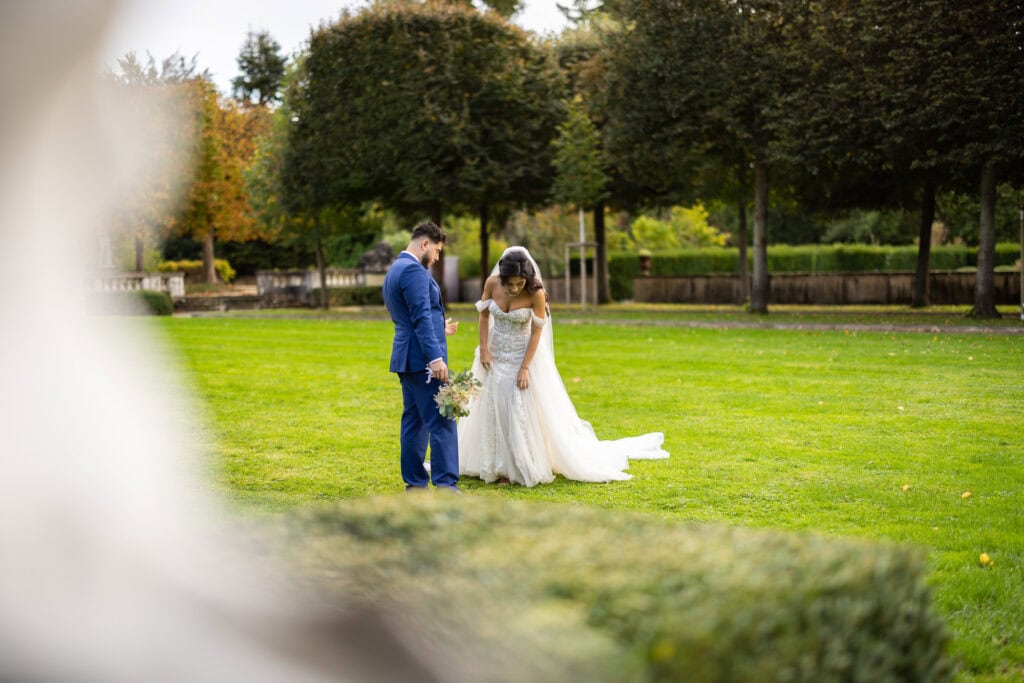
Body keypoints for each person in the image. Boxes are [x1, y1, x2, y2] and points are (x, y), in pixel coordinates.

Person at [458, 247, 668, 487]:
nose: (515, 289)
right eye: (510, 284)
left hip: (521, 354)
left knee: (515, 406)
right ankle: (490, 462)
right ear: (502, 278)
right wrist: (483, 348)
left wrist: (525, 367)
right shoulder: (492, 284)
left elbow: (537, 332)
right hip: (494, 353)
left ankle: (513, 466)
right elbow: (484, 316)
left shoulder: (535, 294)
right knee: (490, 404)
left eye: (519, 283)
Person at [383, 221, 461, 492]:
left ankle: (416, 485)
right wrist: (436, 358)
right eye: (437, 251)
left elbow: (411, 316)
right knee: (442, 420)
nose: (437, 257)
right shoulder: (414, 271)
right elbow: (420, 317)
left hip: (407, 356)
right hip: (423, 360)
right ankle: (446, 487)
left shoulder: (396, 269)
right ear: (425, 244)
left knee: (414, 422)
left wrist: (440, 329)